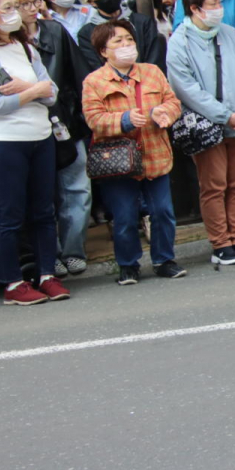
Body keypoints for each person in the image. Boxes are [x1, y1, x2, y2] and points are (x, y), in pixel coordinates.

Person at [167, 0, 235, 267]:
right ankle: (221, 243)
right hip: (207, 126)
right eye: (212, 4)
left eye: (219, 2)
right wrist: (224, 115)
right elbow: (185, 88)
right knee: (214, 185)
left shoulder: (232, 35)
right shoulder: (179, 42)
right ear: (195, 8)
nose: (218, 9)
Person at [81, 19, 184, 285]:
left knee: (163, 211)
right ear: (103, 51)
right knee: (125, 216)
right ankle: (128, 265)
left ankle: (164, 259)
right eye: (118, 41)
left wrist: (165, 113)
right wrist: (124, 120)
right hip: (119, 161)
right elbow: (94, 119)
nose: (126, 45)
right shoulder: (94, 81)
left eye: (129, 39)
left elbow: (173, 101)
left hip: (155, 153)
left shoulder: (152, 72)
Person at [10, 0, 92, 277]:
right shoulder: (11, 47)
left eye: (35, 1)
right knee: (42, 197)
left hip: (65, 121)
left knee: (77, 189)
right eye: (22, 4)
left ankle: (73, 251)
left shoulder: (55, 31)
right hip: (28, 127)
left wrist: (81, 116)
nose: (32, 8)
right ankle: (50, 255)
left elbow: (78, 75)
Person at [0, 0, 69, 304]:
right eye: (7, 8)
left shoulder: (26, 48)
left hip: (41, 137)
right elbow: (1, 106)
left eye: (15, 7)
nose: (15, 13)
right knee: (9, 214)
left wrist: (25, 89)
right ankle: (13, 282)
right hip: (7, 142)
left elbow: (51, 93)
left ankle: (47, 274)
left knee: (44, 211)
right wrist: (34, 91)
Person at [76, 0, 166, 75]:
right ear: (91, 2)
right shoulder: (87, 33)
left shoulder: (142, 22)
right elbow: (96, 68)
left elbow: (154, 59)